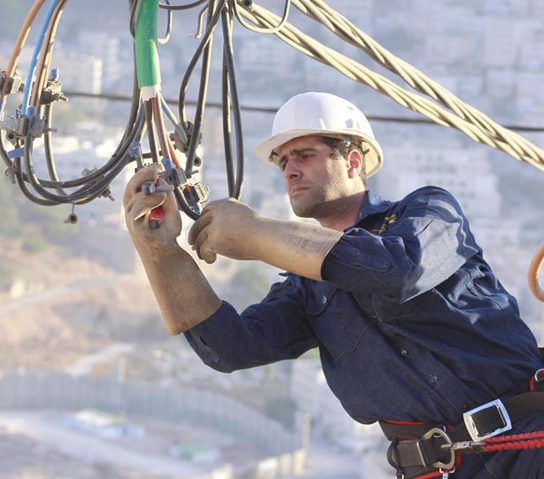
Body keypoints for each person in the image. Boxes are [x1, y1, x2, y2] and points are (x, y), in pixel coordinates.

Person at [123, 92, 544, 478]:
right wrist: (161, 254)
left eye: (303, 155)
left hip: (530, 443)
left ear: (354, 162)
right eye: (283, 161)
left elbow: (397, 270)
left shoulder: (428, 211)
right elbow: (232, 348)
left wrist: (257, 234)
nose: (289, 170)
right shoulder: (307, 288)